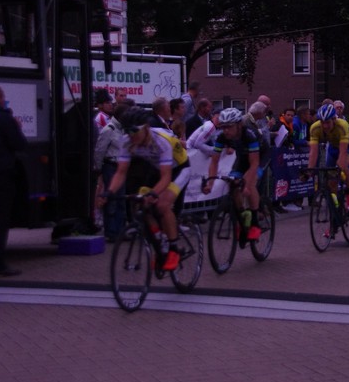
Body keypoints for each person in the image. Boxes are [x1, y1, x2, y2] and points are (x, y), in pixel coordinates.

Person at [98, 107, 191, 271]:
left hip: (179, 169)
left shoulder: (161, 140)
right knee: (140, 204)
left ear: (146, 128)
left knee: (162, 204)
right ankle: (159, 239)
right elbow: (120, 172)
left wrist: (154, 194)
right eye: (127, 131)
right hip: (156, 169)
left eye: (134, 131)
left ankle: (174, 248)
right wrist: (109, 192)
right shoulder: (127, 141)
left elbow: (166, 177)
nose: (131, 135)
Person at [201, 107, 262, 242]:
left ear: (239, 125)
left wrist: (247, 184)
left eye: (229, 127)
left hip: (260, 158)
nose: (226, 130)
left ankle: (255, 221)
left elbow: (254, 164)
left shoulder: (249, 135)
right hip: (242, 158)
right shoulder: (222, 137)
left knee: (250, 185)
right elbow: (214, 161)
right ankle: (243, 216)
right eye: (223, 127)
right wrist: (210, 183)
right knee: (233, 184)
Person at [307, 102, 349, 212]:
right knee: (331, 179)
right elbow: (313, 152)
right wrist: (309, 170)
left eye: (328, 122)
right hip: (333, 148)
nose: (325, 126)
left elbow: (343, 152)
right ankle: (335, 205)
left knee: (343, 166)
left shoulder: (342, 125)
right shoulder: (315, 128)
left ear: (334, 119)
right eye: (322, 122)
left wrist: (339, 166)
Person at [0, 86, 28, 277]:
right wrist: (17, 127)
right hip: (2, 175)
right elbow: (19, 144)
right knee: (1, 220)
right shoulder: (5, 118)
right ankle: (0, 264)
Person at [93, 102, 129, 241]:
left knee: (121, 199)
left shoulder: (122, 129)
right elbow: (99, 150)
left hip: (120, 167)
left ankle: (120, 230)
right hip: (110, 166)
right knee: (111, 199)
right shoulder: (109, 129)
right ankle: (111, 231)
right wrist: (98, 168)